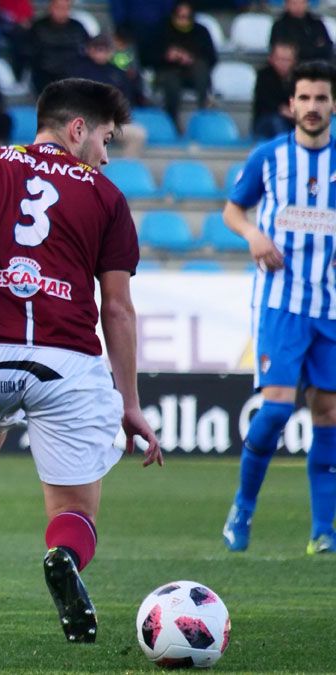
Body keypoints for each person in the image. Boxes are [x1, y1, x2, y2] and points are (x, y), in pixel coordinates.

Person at [0, 78, 162, 642]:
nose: (105, 153)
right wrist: (131, 403)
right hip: (65, 363)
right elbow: (117, 310)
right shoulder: (106, 196)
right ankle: (64, 558)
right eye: (105, 138)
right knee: (74, 512)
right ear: (77, 129)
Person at [221, 60, 336, 557]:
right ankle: (242, 509)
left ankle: (323, 531)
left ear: (333, 105)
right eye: (304, 98)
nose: (312, 107)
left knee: (329, 412)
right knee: (274, 409)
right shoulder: (269, 157)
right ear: (291, 105)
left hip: (331, 308)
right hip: (281, 304)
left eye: (321, 98)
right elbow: (232, 209)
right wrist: (253, 235)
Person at [153, 1, 216, 133]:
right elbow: (148, 57)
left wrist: (191, 58)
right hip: (168, 71)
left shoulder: (201, 32)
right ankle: (172, 120)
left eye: (187, 17)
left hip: (193, 73)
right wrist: (167, 56)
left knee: (201, 67)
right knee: (171, 80)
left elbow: (211, 58)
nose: (183, 21)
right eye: (180, 17)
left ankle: (203, 112)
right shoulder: (161, 30)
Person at [26, 0, 88, 95]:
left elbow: (86, 48)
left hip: (73, 73)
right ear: (51, 8)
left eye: (65, 8)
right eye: (58, 7)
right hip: (45, 74)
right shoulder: (38, 27)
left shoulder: (77, 27)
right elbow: (30, 51)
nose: (61, 11)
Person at [252, 42, 298, 140]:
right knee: (277, 122)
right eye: (280, 59)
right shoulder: (263, 76)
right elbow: (265, 101)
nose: (283, 63)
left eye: (287, 60)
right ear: (271, 59)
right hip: (266, 120)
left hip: (292, 118)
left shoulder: (298, 77)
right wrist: (283, 110)